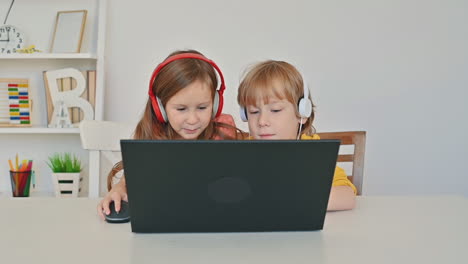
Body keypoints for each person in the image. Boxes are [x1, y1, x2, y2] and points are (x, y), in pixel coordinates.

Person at [97, 50, 243, 219]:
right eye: (181, 109)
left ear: (215, 103)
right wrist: (121, 187)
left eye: (202, 107)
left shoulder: (223, 130)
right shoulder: (153, 134)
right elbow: (136, 175)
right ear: (160, 108)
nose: (193, 119)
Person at [237, 60, 356, 211]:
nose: (262, 121)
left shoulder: (313, 153)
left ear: (302, 112)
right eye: (254, 112)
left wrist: (294, 199)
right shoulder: (241, 152)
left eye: (275, 110)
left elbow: (347, 196)